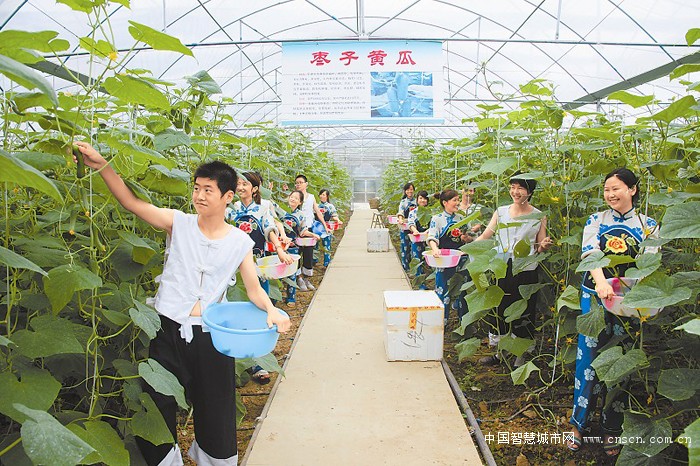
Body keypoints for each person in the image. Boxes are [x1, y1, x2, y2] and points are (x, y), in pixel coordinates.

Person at [72, 141, 290, 466]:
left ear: (228, 196)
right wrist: (101, 164)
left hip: (211, 334)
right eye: (196, 188)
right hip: (168, 327)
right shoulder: (178, 222)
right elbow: (131, 202)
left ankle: (215, 460)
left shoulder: (239, 242)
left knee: (216, 407)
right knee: (156, 402)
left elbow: (254, 289)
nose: (199, 196)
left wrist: (271, 310)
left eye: (208, 190)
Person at [566, 168, 659, 457]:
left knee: (621, 361)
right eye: (606, 189)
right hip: (595, 296)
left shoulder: (649, 225)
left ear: (632, 190)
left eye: (616, 188)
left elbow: (649, 264)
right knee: (588, 358)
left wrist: (628, 289)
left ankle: (612, 427)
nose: (610, 194)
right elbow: (591, 254)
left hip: (629, 300)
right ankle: (578, 424)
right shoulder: (596, 220)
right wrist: (602, 282)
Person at [474, 173, 553, 366]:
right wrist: (468, 249)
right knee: (500, 306)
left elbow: (539, 245)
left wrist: (544, 245)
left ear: (530, 192)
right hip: (502, 265)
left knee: (524, 309)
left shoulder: (539, 216)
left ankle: (520, 356)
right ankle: (500, 353)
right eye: (512, 187)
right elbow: (486, 235)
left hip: (526, 267)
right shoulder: (501, 212)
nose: (515, 192)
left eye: (520, 188)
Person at [226, 171, 292, 385]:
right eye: (238, 184)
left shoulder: (262, 208)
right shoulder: (231, 208)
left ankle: (259, 362)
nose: (240, 187)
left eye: (245, 184)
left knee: (260, 309)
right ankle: (237, 359)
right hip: (233, 266)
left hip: (256, 264)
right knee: (235, 308)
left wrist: (279, 249)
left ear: (254, 188)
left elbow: (269, 229)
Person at [426, 189, 473, 323]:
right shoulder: (437, 219)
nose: (458, 203)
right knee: (442, 292)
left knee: (463, 291)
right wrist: (435, 249)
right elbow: (432, 237)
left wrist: (467, 238)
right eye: (454, 200)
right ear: (445, 202)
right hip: (444, 260)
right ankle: (442, 323)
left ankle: (463, 323)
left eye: (458, 200)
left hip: (462, 259)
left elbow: (471, 238)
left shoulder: (462, 219)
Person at [282, 190, 320, 305]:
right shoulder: (281, 210)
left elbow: (303, 231)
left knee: (292, 272)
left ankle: (291, 298)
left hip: (293, 246)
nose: (293, 199)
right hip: (280, 246)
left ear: (300, 202)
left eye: (296, 198)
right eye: (291, 197)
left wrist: (313, 234)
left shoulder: (301, 215)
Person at [294, 174, 328, 290]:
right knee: (297, 254)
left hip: (309, 229)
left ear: (306, 184)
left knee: (308, 254)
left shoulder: (311, 197)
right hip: (296, 229)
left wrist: (325, 226)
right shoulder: (294, 196)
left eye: (300, 182)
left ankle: (306, 278)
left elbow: (318, 212)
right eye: (296, 183)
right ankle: (298, 278)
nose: (298, 184)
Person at [407, 190, 430, 289]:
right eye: (420, 198)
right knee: (417, 260)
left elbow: (434, 225)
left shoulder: (431, 212)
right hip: (417, 238)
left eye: (425, 198)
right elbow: (411, 223)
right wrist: (415, 231)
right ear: (417, 200)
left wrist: (427, 231)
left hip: (429, 239)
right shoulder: (413, 212)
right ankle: (421, 284)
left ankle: (429, 280)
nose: (422, 200)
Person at [396, 182, 417, 271]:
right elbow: (400, 212)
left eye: (411, 189)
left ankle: (415, 267)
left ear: (414, 190)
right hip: (405, 226)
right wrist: (400, 219)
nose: (410, 191)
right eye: (408, 190)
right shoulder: (403, 202)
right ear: (405, 191)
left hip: (415, 226)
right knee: (405, 246)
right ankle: (406, 266)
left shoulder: (416, 201)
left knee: (415, 247)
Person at [317, 188, 340, 267]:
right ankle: (314, 262)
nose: (321, 196)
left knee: (326, 245)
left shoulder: (330, 206)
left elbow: (334, 215)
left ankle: (326, 263)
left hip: (327, 226)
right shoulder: (316, 205)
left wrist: (338, 220)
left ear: (327, 196)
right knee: (315, 245)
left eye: (323, 195)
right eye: (321, 194)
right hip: (316, 227)